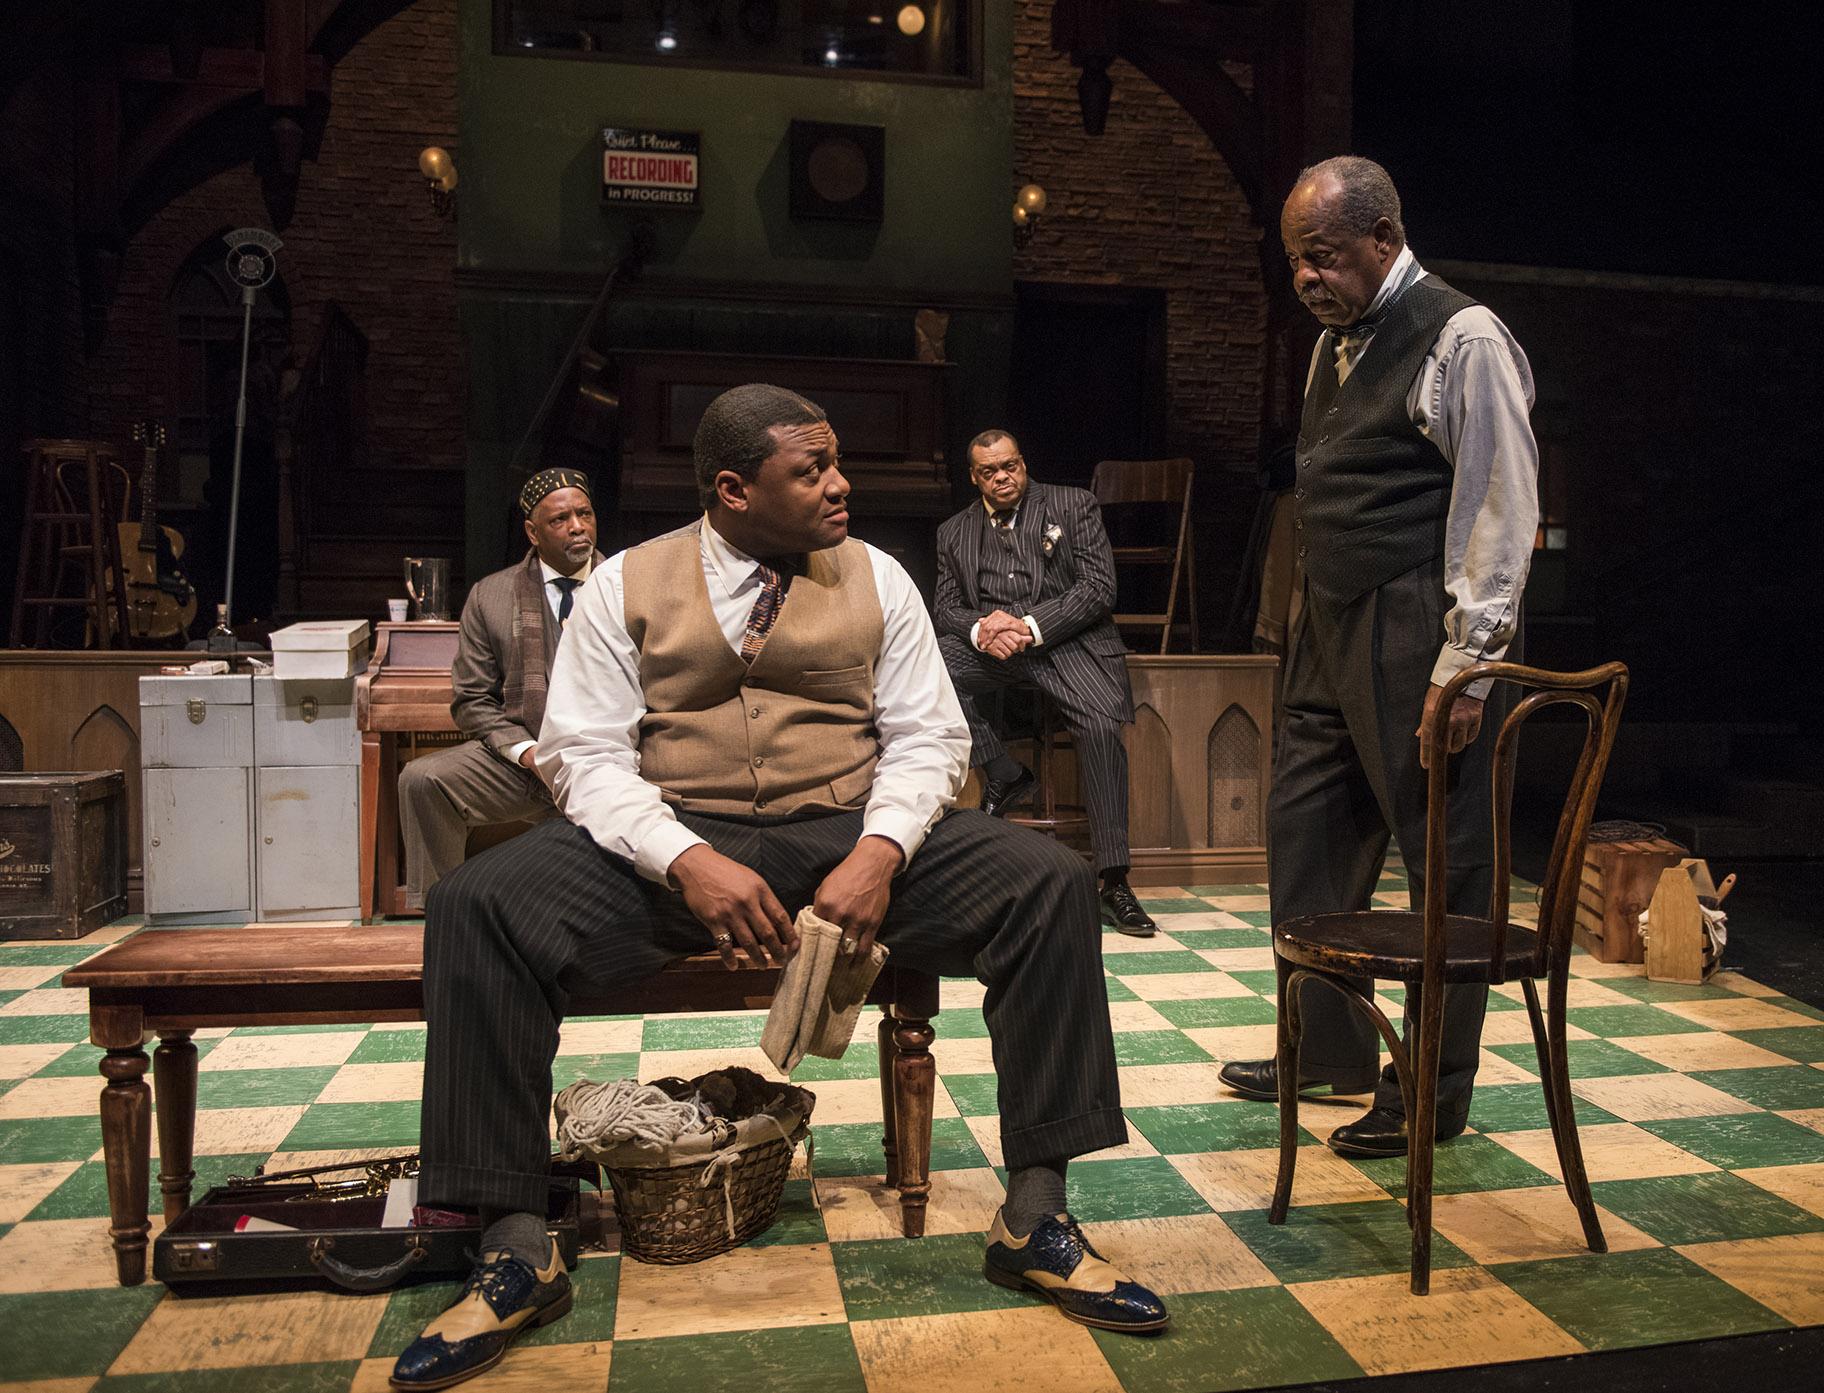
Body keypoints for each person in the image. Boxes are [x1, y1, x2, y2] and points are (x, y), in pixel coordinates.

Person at [389, 385, 1168, 1391]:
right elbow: (583, 757)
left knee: (1050, 884)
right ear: (733, 489)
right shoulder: (629, 580)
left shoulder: (877, 575)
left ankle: (1035, 1216)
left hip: (847, 829)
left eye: (836, 460)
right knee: (475, 904)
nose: (841, 483)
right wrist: (684, 859)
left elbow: (932, 735)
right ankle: (516, 1244)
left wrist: (881, 851)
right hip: (681, 838)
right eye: (812, 470)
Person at [1217, 157, 1540, 1159]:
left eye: (1324, 258)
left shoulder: (1462, 335)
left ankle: (1433, 1085)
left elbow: (1501, 502)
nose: (1309, 278)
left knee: (1446, 857)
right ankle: (1330, 1047)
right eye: (1297, 262)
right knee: (1306, 834)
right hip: (1331, 619)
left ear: (1384, 240)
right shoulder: (1331, 346)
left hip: (1418, 620)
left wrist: (1469, 659)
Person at [932, 431, 1158, 937]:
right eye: (990, 471)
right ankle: (1005, 772)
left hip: (1068, 644)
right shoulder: (954, 531)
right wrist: (981, 629)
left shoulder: (1072, 505)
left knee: (1101, 728)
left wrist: (1028, 627)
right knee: (931, 664)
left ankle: (1114, 880)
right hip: (997, 652)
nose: (1003, 477)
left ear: (1023, 463)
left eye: (1010, 466)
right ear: (975, 477)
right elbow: (945, 607)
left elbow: (1099, 588)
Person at [395, 469, 604, 908]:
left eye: (584, 514)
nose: (578, 527)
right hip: (523, 763)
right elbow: (471, 700)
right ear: (532, 532)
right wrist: (529, 754)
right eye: (560, 519)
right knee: (423, 779)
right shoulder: (491, 595)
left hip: (608, 759)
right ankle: (443, 911)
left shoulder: (624, 584)